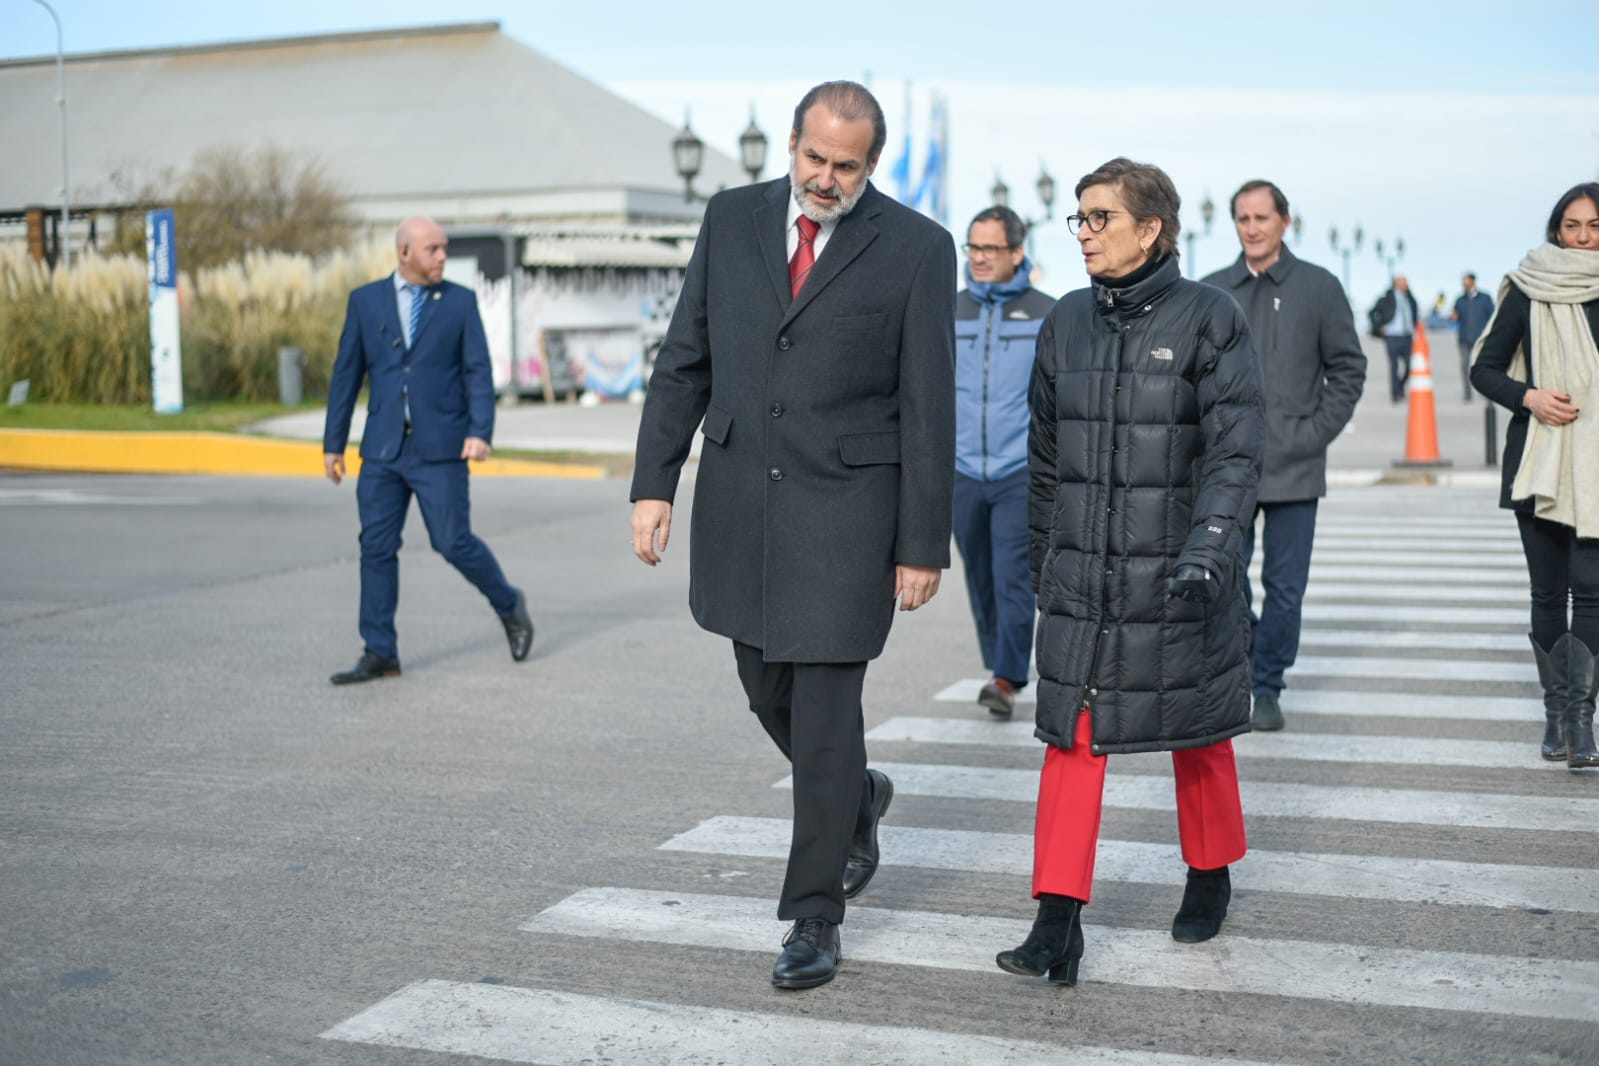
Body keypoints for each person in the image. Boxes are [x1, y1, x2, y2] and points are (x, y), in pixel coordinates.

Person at [629, 81, 956, 990]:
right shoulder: (729, 220)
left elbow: (929, 405)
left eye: (844, 166)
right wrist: (652, 484)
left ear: (871, 165)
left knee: (821, 712)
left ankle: (814, 916)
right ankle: (856, 795)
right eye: (813, 157)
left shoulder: (918, 251)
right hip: (740, 501)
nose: (824, 178)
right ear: (791, 143)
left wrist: (922, 540)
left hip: (849, 514)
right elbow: (683, 357)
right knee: (761, 682)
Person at [996, 158, 1263, 987]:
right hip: (1085, 574)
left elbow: (1235, 451)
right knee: (1069, 740)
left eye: (1100, 218)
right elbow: (1044, 457)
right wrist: (1044, 557)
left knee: (1198, 729)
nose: (1083, 233)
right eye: (1079, 218)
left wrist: (1208, 552)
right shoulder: (1065, 322)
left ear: (1149, 229)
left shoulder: (1210, 317)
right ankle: (1054, 920)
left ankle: (1209, 872)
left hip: (1181, 572)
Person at [322, 216, 534, 684]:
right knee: (375, 547)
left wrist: (481, 430)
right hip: (382, 449)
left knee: (452, 541)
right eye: (433, 249)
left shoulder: (459, 301)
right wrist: (333, 443)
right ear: (404, 254)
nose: (442, 256)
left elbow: (478, 370)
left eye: (443, 248)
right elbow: (346, 375)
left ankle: (508, 603)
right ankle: (380, 651)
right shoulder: (365, 301)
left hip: (441, 446)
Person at [1203, 181, 1366, 732]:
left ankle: (1268, 683)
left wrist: (1314, 433)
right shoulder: (1213, 292)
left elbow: (1348, 368)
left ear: (1284, 222)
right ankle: (1246, 659)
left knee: (1285, 586)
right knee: (1226, 579)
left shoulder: (1319, 288)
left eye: (1262, 217)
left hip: (1296, 466)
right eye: (1243, 218)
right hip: (1227, 467)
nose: (1252, 227)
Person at [1469, 181, 1599, 771]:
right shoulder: (1529, 287)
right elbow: (1485, 369)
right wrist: (1532, 398)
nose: (1583, 237)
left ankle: (1582, 722)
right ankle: (1554, 715)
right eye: (1573, 226)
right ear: (1556, 230)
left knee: (1592, 592)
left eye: (1594, 227)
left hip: (1595, 467)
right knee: (1548, 592)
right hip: (1539, 464)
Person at [954, 205, 1054, 719]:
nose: (979, 258)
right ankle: (1000, 664)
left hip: (1020, 471)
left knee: (1014, 576)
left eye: (990, 249)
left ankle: (1007, 677)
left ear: (1017, 252)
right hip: (962, 470)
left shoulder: (1046, 311)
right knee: (979, 576)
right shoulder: (949, 310)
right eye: (973, 247)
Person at [1369, 275, 1419, 403]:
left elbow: (1415, 313)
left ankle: (1400, 386)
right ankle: (1395, 394)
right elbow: (1372, 312)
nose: (1407, 284)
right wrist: (1378, 327)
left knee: (1409, 365)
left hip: (1407, 336)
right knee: (1394, 366)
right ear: (1397, 283)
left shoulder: (1410, 299)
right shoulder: (1386, 299)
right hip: (1392, 336)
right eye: (1404, 282)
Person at [1452, 272, 1495, 402]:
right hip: (1464, 338)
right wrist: (1453, 317)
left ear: (1473, 281)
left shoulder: (1485, 298)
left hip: (1481, 338)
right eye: (1463, 282)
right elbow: (1456, 317)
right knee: (1465, 366)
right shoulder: (1460, 300)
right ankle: (1467, 393)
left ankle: (1485, 391)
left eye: (1467, 281)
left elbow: (1493, 316)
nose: (1465, 284)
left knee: (1482, 366)